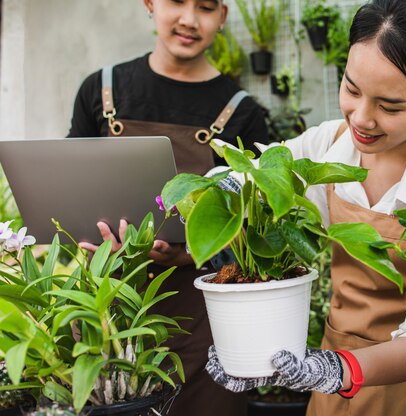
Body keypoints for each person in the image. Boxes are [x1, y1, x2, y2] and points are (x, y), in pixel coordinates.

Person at [205, 0, 406, 415]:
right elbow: (252, 182)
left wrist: (335, 369)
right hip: (328, 379)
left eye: (389, 106)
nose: (361, 118)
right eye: (351, 89)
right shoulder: (328, 146)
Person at [68, 1, 268, 415]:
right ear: (149, 4)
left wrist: (193, 250)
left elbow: (255, 229)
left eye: (206, 7)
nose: (190, 20)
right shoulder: (101, 89)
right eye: (176, 1)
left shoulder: (243, 110)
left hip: (204, 320)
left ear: (223, 16)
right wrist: (87, 238)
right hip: (109, 311)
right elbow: (70, 189)